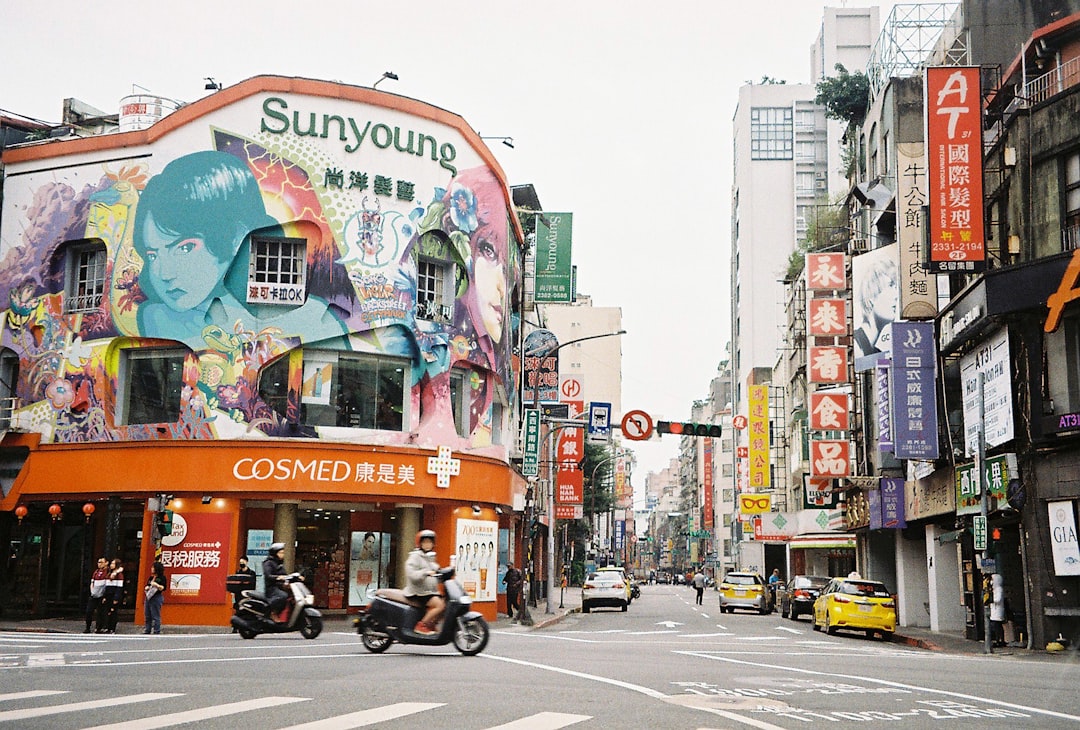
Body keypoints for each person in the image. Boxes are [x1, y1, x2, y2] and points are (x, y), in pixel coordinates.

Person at [132, 151, 346, 348]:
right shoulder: (153, 318)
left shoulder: (315, 318)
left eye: (185, 248)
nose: (164, 273)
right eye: (153, 255)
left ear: (237, 236)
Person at [853, 254, 899, 364]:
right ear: (872, 296)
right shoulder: (856, 346)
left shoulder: (875, 351)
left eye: (896, 287)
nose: (896, 295)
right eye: (890, 286)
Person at [404, 529, 445, 635]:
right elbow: (411, 574)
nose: (427, 544)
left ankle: (431, 624)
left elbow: (435, 571)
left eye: (430, 542)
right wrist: (425, 572)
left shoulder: (429, 557)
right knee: (439, 605)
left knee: (446, 603)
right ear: (420, 543)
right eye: (425, 542)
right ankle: (421, 625)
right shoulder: (415, 556)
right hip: (418, 592)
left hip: (428, 591)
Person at [262, 542, 290, 621]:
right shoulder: (268, 563)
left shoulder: (279, 563)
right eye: (280, 553)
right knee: (283, 596)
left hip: (280, 586)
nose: (282, 555)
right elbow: (268, 575)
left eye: (283, 553)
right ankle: (273, 612)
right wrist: (278, 577)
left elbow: (285, 575)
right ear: (275, 553)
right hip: (271, 588)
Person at [231, 556, 256, 631]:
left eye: (243, 562)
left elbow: (253, 585)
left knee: (247, 611)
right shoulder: (238, 573)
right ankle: (235, 627)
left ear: (246, 562)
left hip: (247, 594)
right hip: (238, 595)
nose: (241, 564)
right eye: (240, 563)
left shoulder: (251, 573)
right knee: (238, 610)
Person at [85, 557, 109, 634]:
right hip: (94, 594)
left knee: (101, 612)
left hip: (101, 595)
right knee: (89, 611)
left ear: (106, 563)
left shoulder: (108, 572)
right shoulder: (96, 572)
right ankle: (87, 627)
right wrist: (92, 591)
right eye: (98, 562)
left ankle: (99, 627)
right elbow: (92, 582)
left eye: (101, 562)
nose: (99, 564)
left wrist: (105, 595)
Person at [143, 561, 167, 634]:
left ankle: (157, 630)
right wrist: (147, 587)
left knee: (156, 615)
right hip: (149, 596)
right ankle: (147, 629)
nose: (152, 569)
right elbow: (148, 585)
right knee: (147, 614)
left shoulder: (162, 578)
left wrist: (156, 585)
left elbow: (163, 588)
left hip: (156, 597)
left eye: (153, 567)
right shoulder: (151, 577)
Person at [103, 558, 125, 634]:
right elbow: (106, 586)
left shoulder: (119, 575)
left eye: (113, 564)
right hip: (108, 595)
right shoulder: (109, 573)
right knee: (107, 611)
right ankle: (107, 627)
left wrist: (116, 598)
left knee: (113, 612)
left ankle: (112, 628)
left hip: (114, 595)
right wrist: (105, 596)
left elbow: (119, 588)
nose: (111, 565)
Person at [990, 574, 1007, 648]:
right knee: (996, 626)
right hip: (994, 610)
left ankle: (1000, 640)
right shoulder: (994, 589)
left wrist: (992, 600)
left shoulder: (999, 589)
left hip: (998, 610)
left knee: (998, 626)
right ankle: (998, 640)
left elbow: (998, 599)